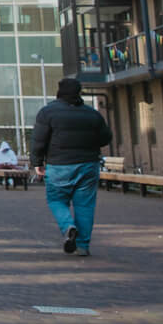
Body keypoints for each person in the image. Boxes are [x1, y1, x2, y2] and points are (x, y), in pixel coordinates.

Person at [31, 78, 112, 256]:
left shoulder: (47, 113)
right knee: (84, 206)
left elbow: (38, 140)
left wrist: (37, 162)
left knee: (56, 200)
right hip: (88, 165)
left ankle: (68, 226)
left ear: (59, 92)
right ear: (79, 93)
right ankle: (82, 246)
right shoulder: (92, 114)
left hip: (59, 165)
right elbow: (106, 138)